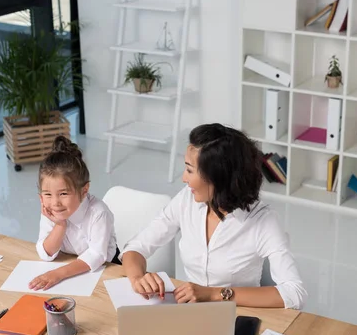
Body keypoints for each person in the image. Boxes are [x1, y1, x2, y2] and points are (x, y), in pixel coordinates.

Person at [120, 123, 307, 309]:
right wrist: (138, 278)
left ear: (218, 177)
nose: (184, 178)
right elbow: (136, 247)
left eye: (190, 170)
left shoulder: (263, 221)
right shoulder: (187, 199)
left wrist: (215, 294)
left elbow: (294, 293)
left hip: (236, 316)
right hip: (189, 312)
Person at [29, 136, 118, 291]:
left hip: (107, 269)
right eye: (48, 194)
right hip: (71, 266)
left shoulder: (98, 213)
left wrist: (58, 274)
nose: (55, 202)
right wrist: (60, 225)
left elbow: (97, 255)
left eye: (63, 194)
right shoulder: (52, 211)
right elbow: (45, 253)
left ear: (84, 191)